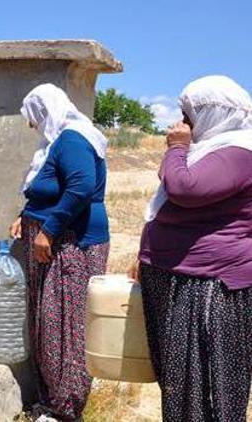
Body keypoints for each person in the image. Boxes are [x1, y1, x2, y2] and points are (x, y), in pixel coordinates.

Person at [135, 75, 252, 422]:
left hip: (209, 285)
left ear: (213, 113)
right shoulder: (212, 148)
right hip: (182, 279)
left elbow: (185, 187)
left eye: (188, 115)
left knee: (207, 383)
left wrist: (176, 148)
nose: (181, 123)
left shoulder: (240, 152)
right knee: (181, 381)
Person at [9, 84, 110, 421]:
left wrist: (48, 230)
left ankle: (65, 408)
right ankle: (53, 402)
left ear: (46, 110)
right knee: (50, 322)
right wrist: (24, 217)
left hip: (70, 244)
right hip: (55, 242)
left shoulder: (73, 138)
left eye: (33, 117)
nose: (31, 125)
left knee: (64, 326)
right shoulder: (60, 141)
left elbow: (80, 187)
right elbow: (49, 190)